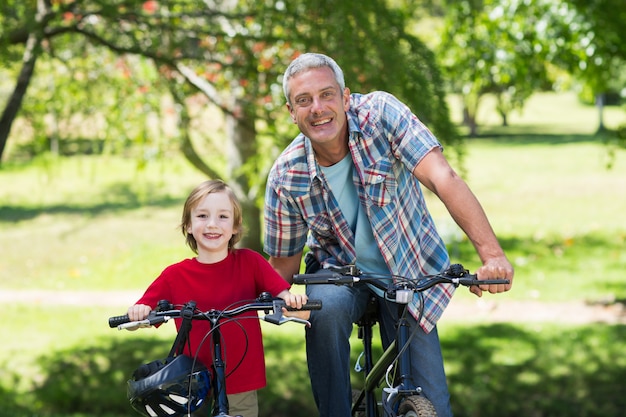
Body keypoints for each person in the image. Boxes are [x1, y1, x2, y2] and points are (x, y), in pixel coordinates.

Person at [263, 53, 514, 417]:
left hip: (408, 267)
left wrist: (492, 256)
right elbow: (283, 264)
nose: (317, 108)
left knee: (434, 405)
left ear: (346, 97)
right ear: (291, 111)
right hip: (338, 272)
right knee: (326, 310)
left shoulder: (381, 114)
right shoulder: (287, 175)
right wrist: (278, 298)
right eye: (304, 100)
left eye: (327, 95)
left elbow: (443, 178)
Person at [127, 179, 308, 417]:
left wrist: (289, 300)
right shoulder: (175, 275)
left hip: (240, 377)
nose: (212, 224)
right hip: (190, 381)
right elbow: (141, 313)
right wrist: (139, 312)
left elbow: (281, 293)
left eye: (223, 217)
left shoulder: (250, 262)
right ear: (189, 225)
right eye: (202, 216)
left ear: (235, 227)